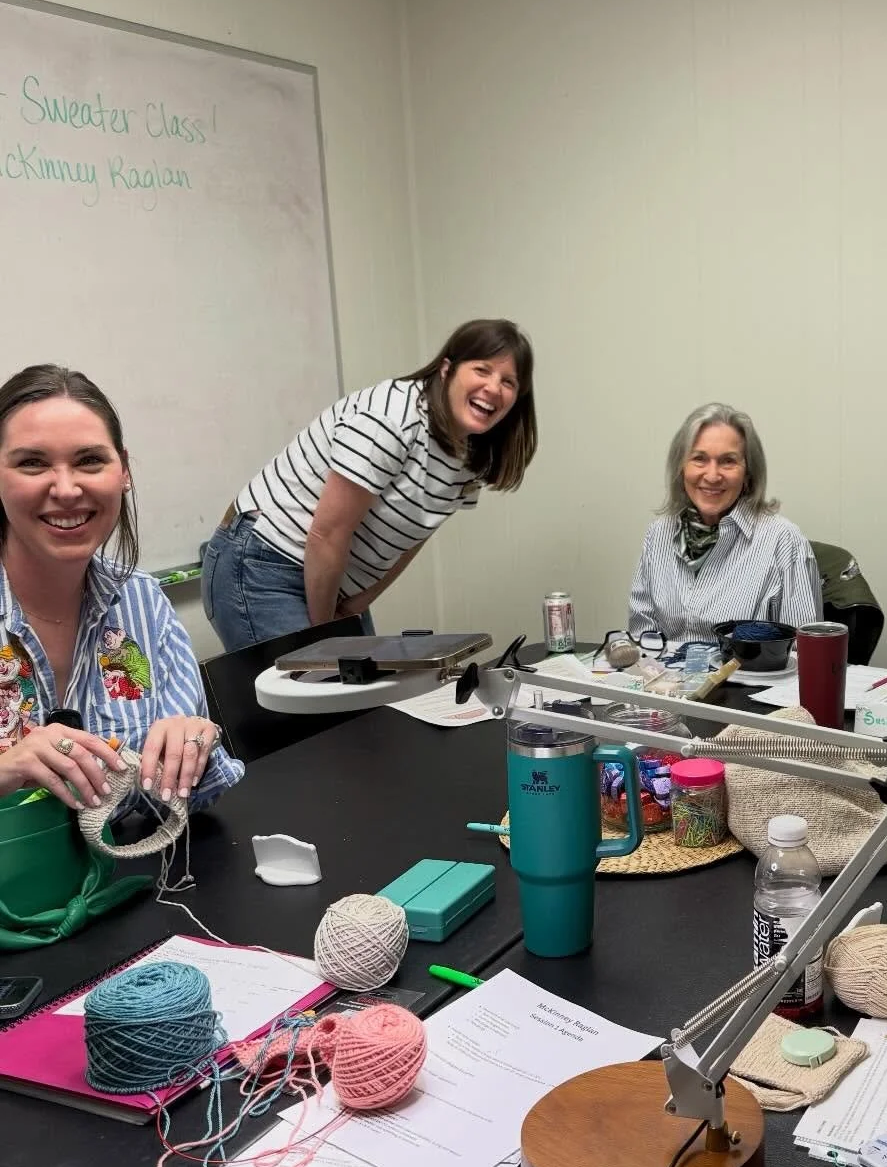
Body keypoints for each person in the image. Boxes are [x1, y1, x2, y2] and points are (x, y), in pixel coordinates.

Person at [202, 318, 537, 652]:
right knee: (320, 696)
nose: (494, 388)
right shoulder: (391, 419)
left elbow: (415, 534)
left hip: (330, 579)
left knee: (361, 697)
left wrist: (357, 605)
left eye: (508, 381)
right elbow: (327, 533)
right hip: (266, 559)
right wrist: (328, 634)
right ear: (447, 369)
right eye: (481, 370)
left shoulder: (474, 452)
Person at [0, 365, 243, 814]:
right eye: (32, 462)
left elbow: (176, 802)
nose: (67, 489)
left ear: (124, 471)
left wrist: (191, 754)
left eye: (89, 460)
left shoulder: (143, 603)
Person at [627, 403, 821, 647]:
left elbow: (803, 653)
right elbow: (642, 639)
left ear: (748, 473)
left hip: (753, 682)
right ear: (681, 467)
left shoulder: (783, 540)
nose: (712, 475)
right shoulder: (658, 534)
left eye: (728, 461)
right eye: (699, 459)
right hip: (667, 682)